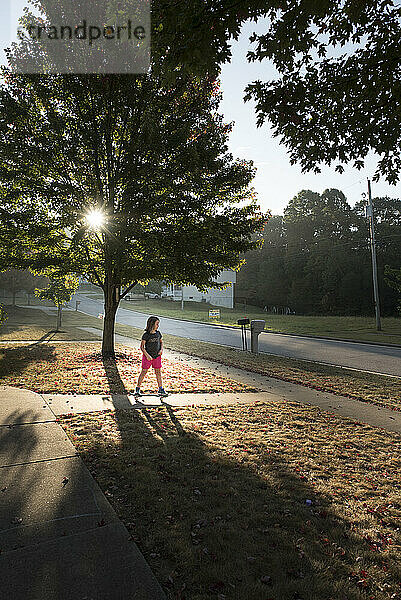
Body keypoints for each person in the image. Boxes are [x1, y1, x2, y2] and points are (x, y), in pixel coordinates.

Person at [135, 316, 168, 397]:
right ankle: (137, 389)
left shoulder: (158, 333)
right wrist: (147, 356)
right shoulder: (146, 335)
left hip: (157, 356)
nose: (158, 326)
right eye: (157, 324)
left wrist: (161, 350)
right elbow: (142, 347)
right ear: (152, 324)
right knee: (143, 372)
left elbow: (161, 342)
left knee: (158, 372)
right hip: (148, 357)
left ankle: (160, 389)